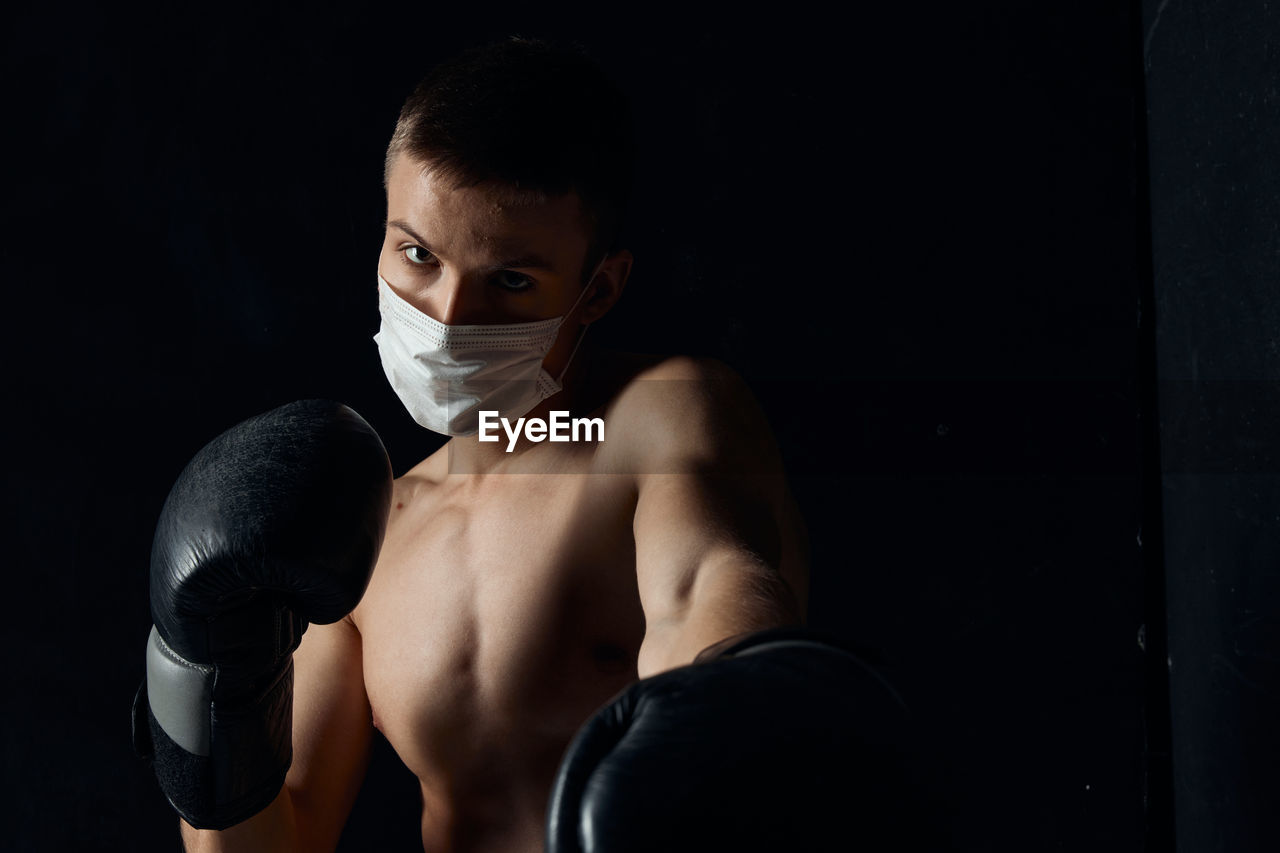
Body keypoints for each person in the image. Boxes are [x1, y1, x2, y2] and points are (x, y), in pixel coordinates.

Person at [137, 37, 930, 853]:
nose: (448, 318)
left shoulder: (656, 422)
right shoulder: (367, 527)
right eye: (418, 254)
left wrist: (737, 688)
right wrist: (204, 684)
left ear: (599, 288)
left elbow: (716, 600)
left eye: (509, 281)